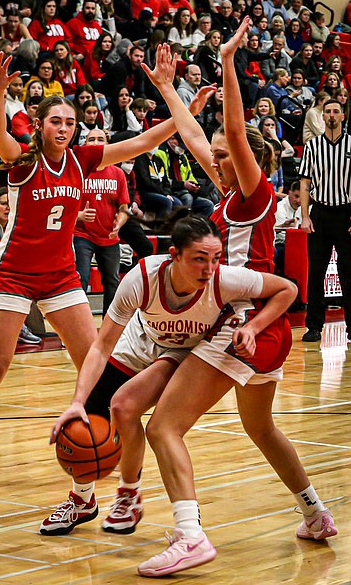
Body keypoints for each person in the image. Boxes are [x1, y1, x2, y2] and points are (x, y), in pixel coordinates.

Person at [0, 50, 213, 490]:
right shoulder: (25, 161)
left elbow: (142, 143)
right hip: (13, 272)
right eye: (57, 122)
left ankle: (96, 444)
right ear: (41, 125)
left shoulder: (83, 158)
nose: (64, 129)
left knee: (94, 362)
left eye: (70, 123)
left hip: (60, 276)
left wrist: (184, 113)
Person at [136, 20, 337, 575]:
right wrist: (167, 90)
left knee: (164, 427)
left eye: (226, 156)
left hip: (245, 322)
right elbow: (199, 139)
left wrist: (226, 62)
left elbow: (232, 134)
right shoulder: (229, 199)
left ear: (248, 162)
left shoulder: (255, 195)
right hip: (265, 329)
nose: (215, 159)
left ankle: (189, 535)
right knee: (261, 427)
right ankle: (316, 513)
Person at [43, 210, 296, 537]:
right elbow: (102, 345)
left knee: (125, 408)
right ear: (174, 255)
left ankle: (128, 494)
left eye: (215, 258)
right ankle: (82, 500)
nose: (208, 268)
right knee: (89, 414)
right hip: (143, 340)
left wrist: (253, 326)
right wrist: (78, 399)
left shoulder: (224, 278)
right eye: (199, 259)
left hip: (183, 351)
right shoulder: (142, 278)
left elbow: (286, 289)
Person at [299, 98, 351, 343]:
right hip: (319, 212)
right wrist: (305, 216)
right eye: (328, 111)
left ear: (342, 116)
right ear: (322, 116)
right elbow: (305, 183)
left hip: (346, 213)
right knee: (316, 271)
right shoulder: (312, 146)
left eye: (336, 111)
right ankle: (314, 325)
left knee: (348, 271)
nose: (331, 115)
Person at [74, 128, 129, 316]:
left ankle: (108, 324)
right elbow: (63, 204)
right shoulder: (78, 172)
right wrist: (79, 215)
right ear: (85, 144)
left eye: (100, 139)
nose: (96, 142)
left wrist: (119, 223)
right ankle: (78, 323)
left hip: (109, 236)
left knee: (112, 282)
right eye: (91, 139)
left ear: (108, 144)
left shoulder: (118, 173)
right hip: (82, 234)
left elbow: (124, 208)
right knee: (82, 278)